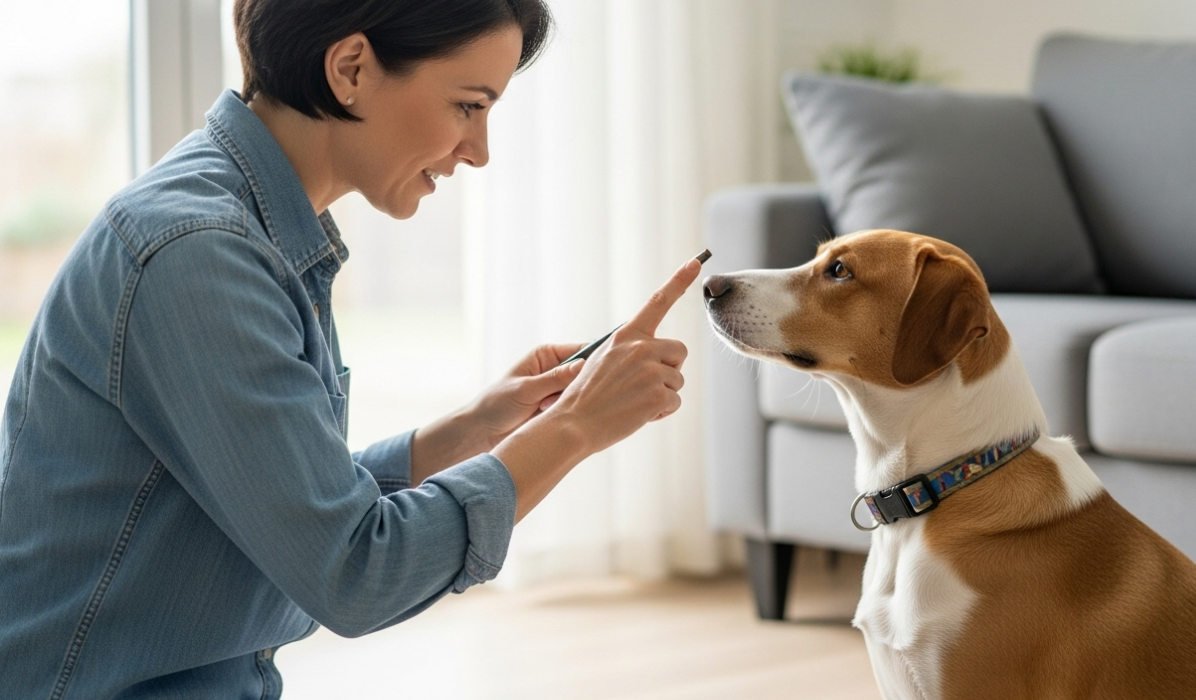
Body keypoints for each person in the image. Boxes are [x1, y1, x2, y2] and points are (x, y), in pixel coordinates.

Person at [0, 0, 701, 696]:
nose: (480, 151)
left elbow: (300, 508)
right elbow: (354, 574)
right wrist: (573, 427)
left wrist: (475, 431)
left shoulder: (248, 228)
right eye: (468, 105)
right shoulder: (200, 255)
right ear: (351, 68)